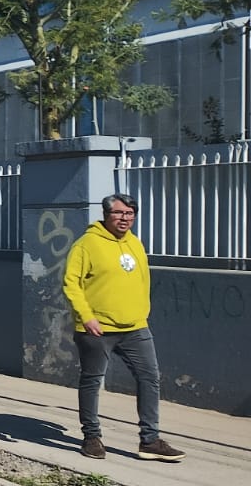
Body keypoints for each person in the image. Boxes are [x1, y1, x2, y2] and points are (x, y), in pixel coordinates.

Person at [62, 193, 184, 461]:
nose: (124, 219)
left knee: (150, 378)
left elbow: (142, 280)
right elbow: (71, 283)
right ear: (106, 215)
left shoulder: (135, 243)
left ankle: (150, 440)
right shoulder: (87, 244)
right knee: (93, 381)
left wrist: (142, 312)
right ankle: (91, 437)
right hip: (97, 328)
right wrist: (86, 316)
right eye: (119, 213)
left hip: (135, 327)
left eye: (130, 214)